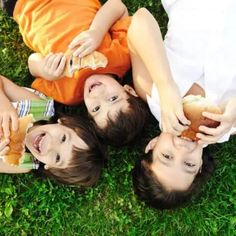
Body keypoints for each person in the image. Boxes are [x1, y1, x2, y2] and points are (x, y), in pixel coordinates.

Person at [127, 2, 236, 209]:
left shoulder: (152, 93)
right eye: (189, 164)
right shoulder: (225, 127)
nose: (182, 150)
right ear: (200, 164)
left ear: (152, 145)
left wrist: (165, 84)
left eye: (167, 156)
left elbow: (140, 20)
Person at [1, 0, 149, 147]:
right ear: (128, 89)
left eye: (96, 109)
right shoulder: (121, 58)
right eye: (113, 98)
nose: (98, 95)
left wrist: (45, 71)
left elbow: (32, 62)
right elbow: (117, 6)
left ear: (89, 114)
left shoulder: (68, 95)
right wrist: (96, 31)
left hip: (25, 7)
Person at [0, 75, 106, 187]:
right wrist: (3, 104)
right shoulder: (38, 108)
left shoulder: (23, 163)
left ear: (50, 167)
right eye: (63, 138)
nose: (50, 146)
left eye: (57, 157)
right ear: (64, 122)